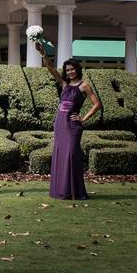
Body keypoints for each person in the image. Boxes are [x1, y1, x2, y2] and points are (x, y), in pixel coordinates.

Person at [36, 43, 102, 200]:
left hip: (73, 125)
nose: (70, 72)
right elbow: (51, 69)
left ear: (77, 69)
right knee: (60, 155)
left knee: (72, 155)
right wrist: (44, 54)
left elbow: (97, 104)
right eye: (67, 70)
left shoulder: (84, 85)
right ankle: (61, 191)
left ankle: (74, 190)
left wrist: (83, 118)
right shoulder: (64, 84)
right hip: (60, 123)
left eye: (72, 69)